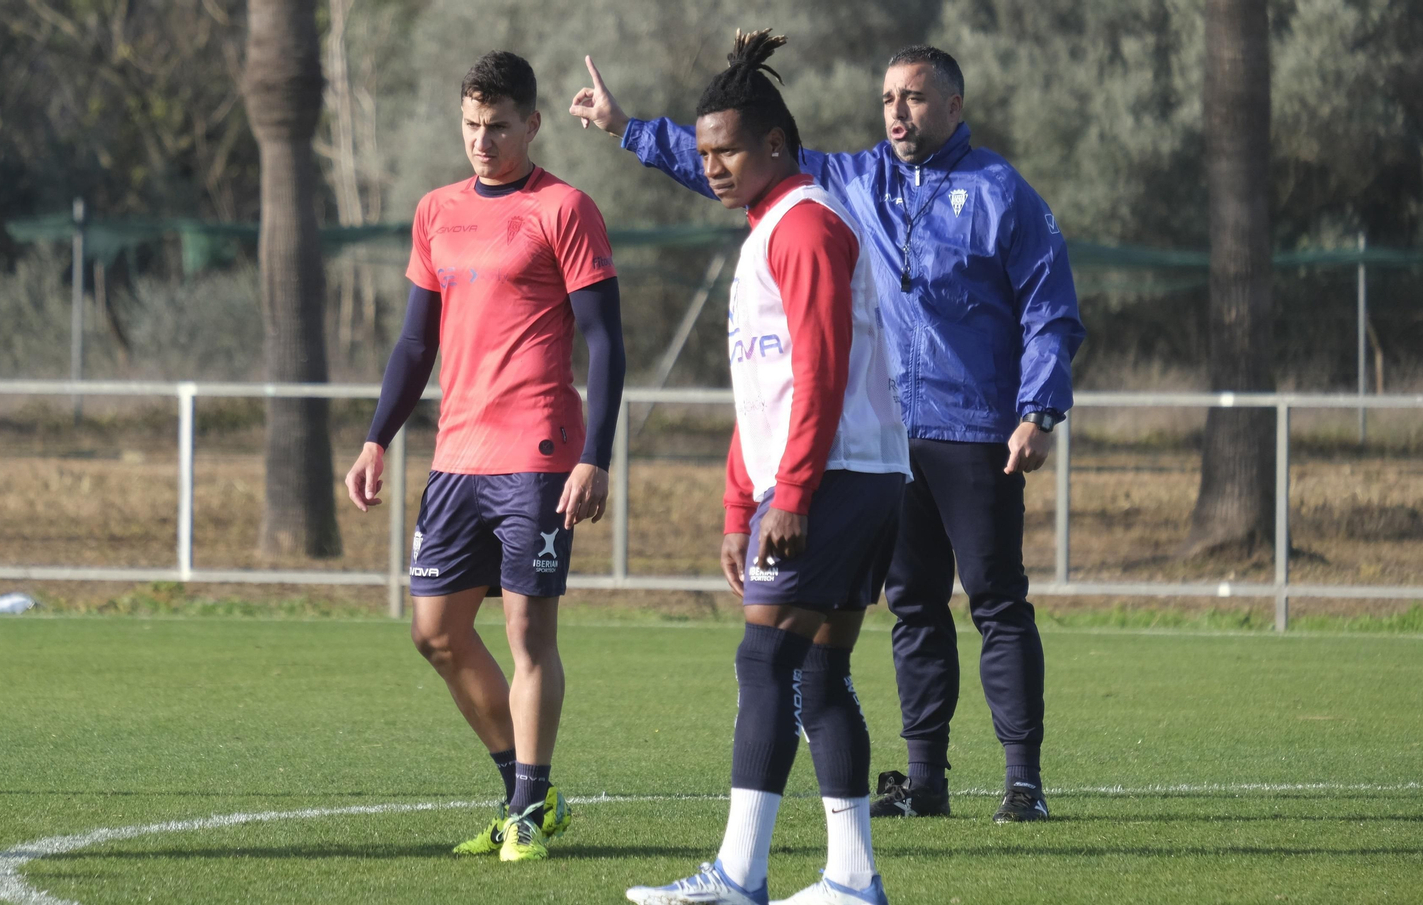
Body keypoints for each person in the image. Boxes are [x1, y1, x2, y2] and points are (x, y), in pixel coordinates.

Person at [572, 44, 1084, 823]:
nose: (897, 112)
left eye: (914, 97)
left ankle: (1023, 781)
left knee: (996, 601)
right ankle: (925, 780)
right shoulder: (852, 180)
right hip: (887, 440)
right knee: (912, 605)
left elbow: (1051, 304)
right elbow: (737, 155)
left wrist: (1038, 409)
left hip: (977, 429)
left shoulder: (1000, 192)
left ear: (953, 107)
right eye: (887, 98)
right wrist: (626, 129)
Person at [623, 30, 908, 905]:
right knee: (816, 672)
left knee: (763, 661)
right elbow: (764, 388)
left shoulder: (807, 226)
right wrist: (736, 506)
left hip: (838, 480)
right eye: (703, 152)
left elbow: (820, 370)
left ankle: (739, 874)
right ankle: (851, 880)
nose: (711, 165)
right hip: (838, 479)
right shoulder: (767, 231)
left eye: (728, 149)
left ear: (776, 145)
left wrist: (789, 495)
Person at [345, 49, 626, 863]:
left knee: (527, 631)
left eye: (498, 125)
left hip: (538, 453)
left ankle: (529, 810)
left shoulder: (565, 209)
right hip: (457, 458)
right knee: (433, 630)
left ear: (532, 124)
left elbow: (606, 342)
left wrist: (595, 455)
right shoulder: (436, 211)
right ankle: (527, 790)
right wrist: (376, 436)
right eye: (471, 124)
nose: (482, 139)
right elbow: (413, 341)